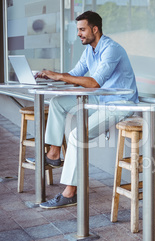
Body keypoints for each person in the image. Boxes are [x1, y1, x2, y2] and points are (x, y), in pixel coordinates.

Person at [32, 11, 138, 209]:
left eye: (82, 29)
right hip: (100, 101)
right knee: (57, 102)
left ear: (94, 29)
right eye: (78, 30)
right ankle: (54, 154)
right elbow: (74, 74)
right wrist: (50, 76)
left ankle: (70, 193)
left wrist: (59, 77)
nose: (79, 34)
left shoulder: (111, 49)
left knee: (76, 136)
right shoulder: (90, 50)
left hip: (119, 104)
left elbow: (94, 82)